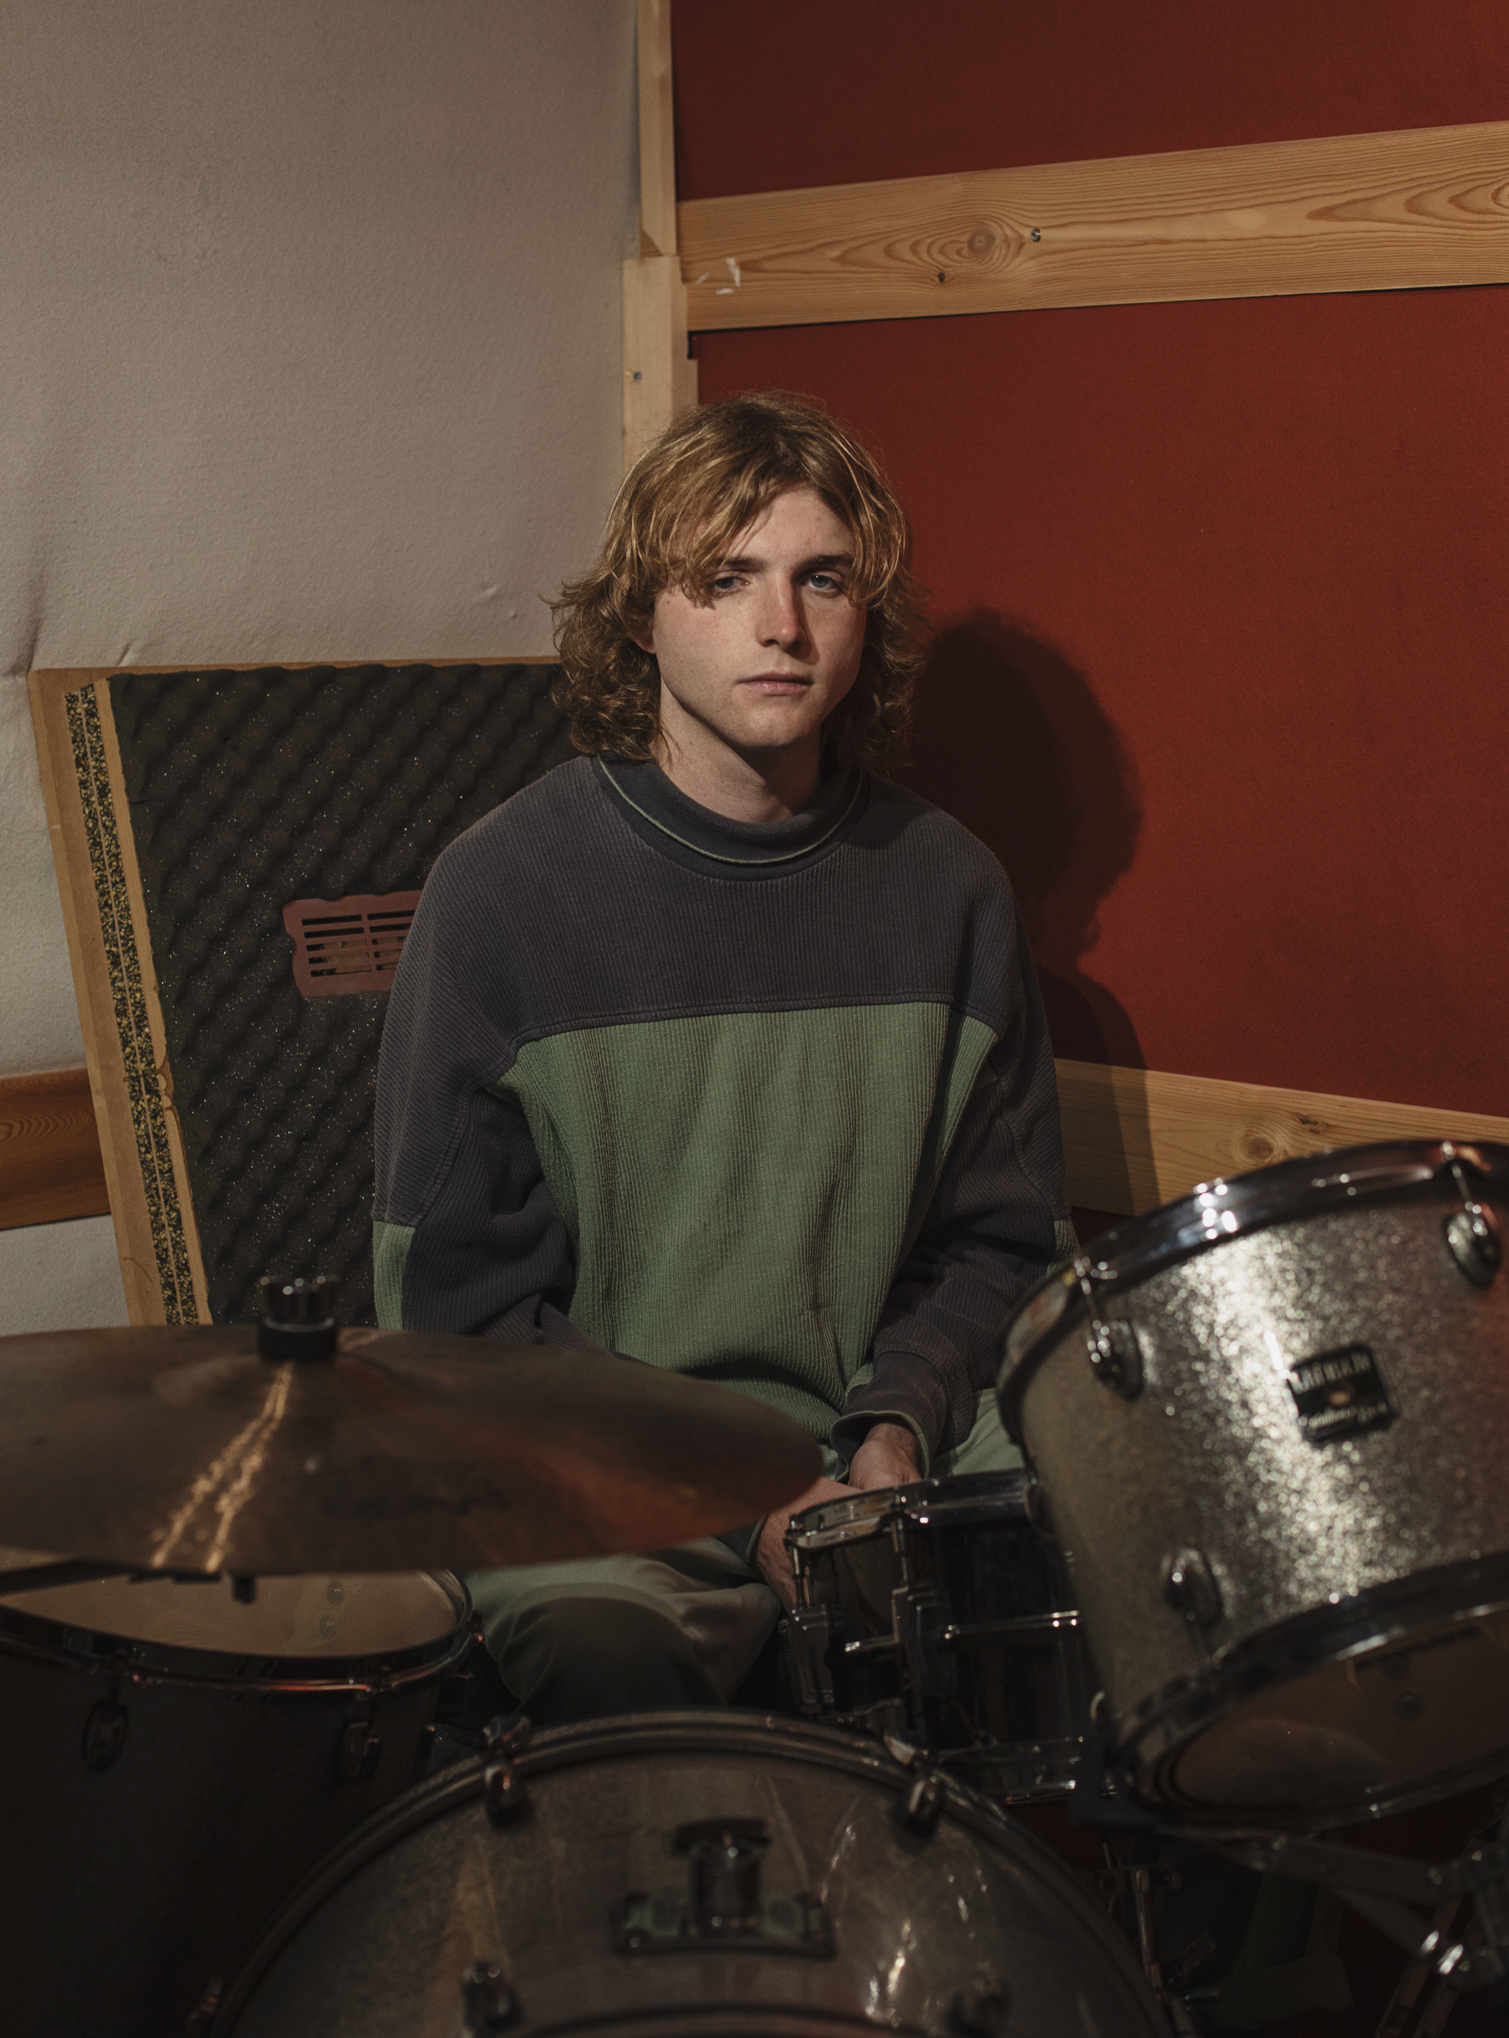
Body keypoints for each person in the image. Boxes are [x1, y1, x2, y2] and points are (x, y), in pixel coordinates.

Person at [372, 391, 1074, 1727]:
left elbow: (1000, 1247)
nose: (783, 626)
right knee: (600, 1646)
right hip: (599, 1467)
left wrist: (893, 1430)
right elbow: (460, 1317)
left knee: (1156, 1564)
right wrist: (746, 1495)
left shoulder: (951, 892)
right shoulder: (503, 895)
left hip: (883, 1440)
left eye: (823, 580)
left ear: (866, 618)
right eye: (727, 579)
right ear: (643, 615)